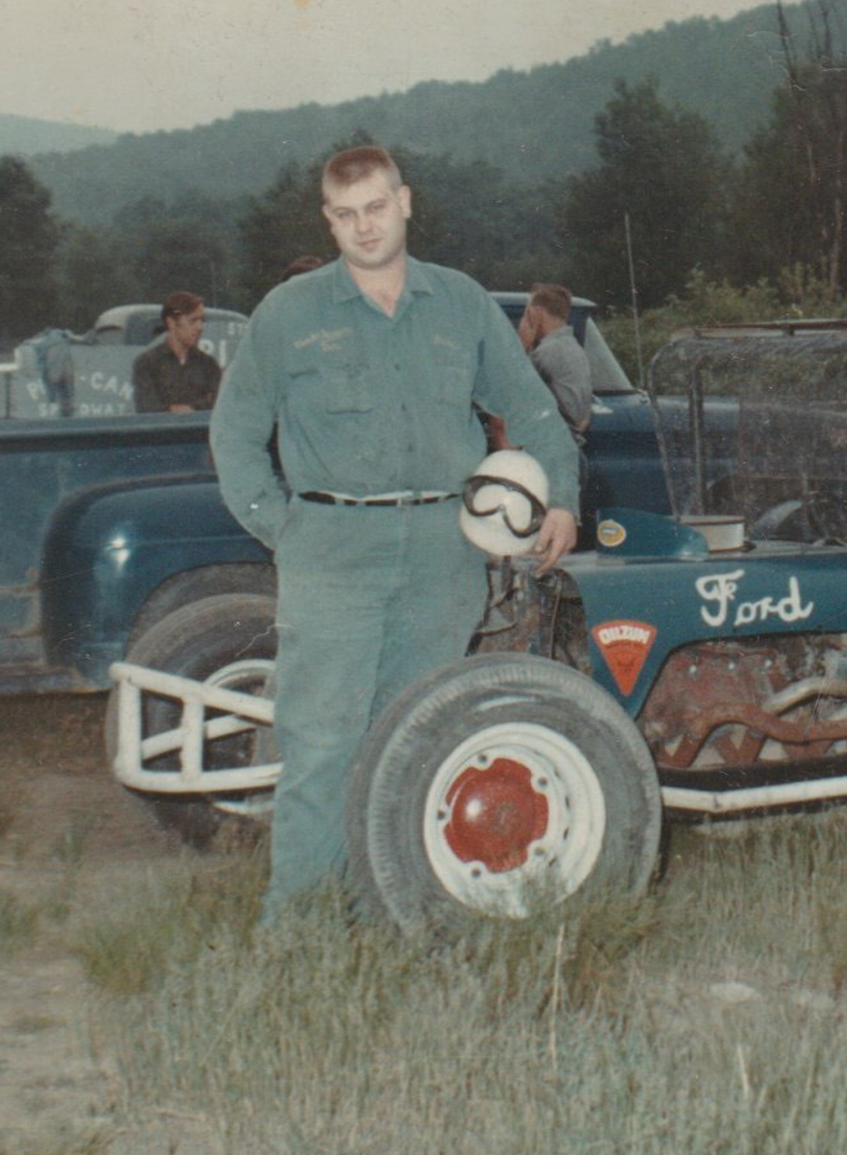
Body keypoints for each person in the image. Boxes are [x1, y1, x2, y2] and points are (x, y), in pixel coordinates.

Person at [209, 144, 581, 921]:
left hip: (444, 556)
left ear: (405, 202)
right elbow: (234, 434)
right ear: (327, 220)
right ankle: (303, 937)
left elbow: (536, 411)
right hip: (331, 553)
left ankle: (395, 922)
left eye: (375, 207)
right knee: (320, 748)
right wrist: (284, 529)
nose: (363, 227)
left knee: (414, 742)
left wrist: (563, 501)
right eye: (344, 215)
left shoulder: (461, 303)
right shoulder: (290, 314)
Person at [517, 282, 593, 445]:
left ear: (536, 313)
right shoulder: (574, 348)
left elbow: (513, 392)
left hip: (554, 449)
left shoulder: (547, 352)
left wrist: (522, 345)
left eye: (526, 313)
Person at [132, 290, 221, 413]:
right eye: (193, 320)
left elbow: (218, 403)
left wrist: (189, 409)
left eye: (202, 320)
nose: (200, 327)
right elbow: (147, 407)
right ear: (171, 323)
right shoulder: (147, 363)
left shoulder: (208, 364)